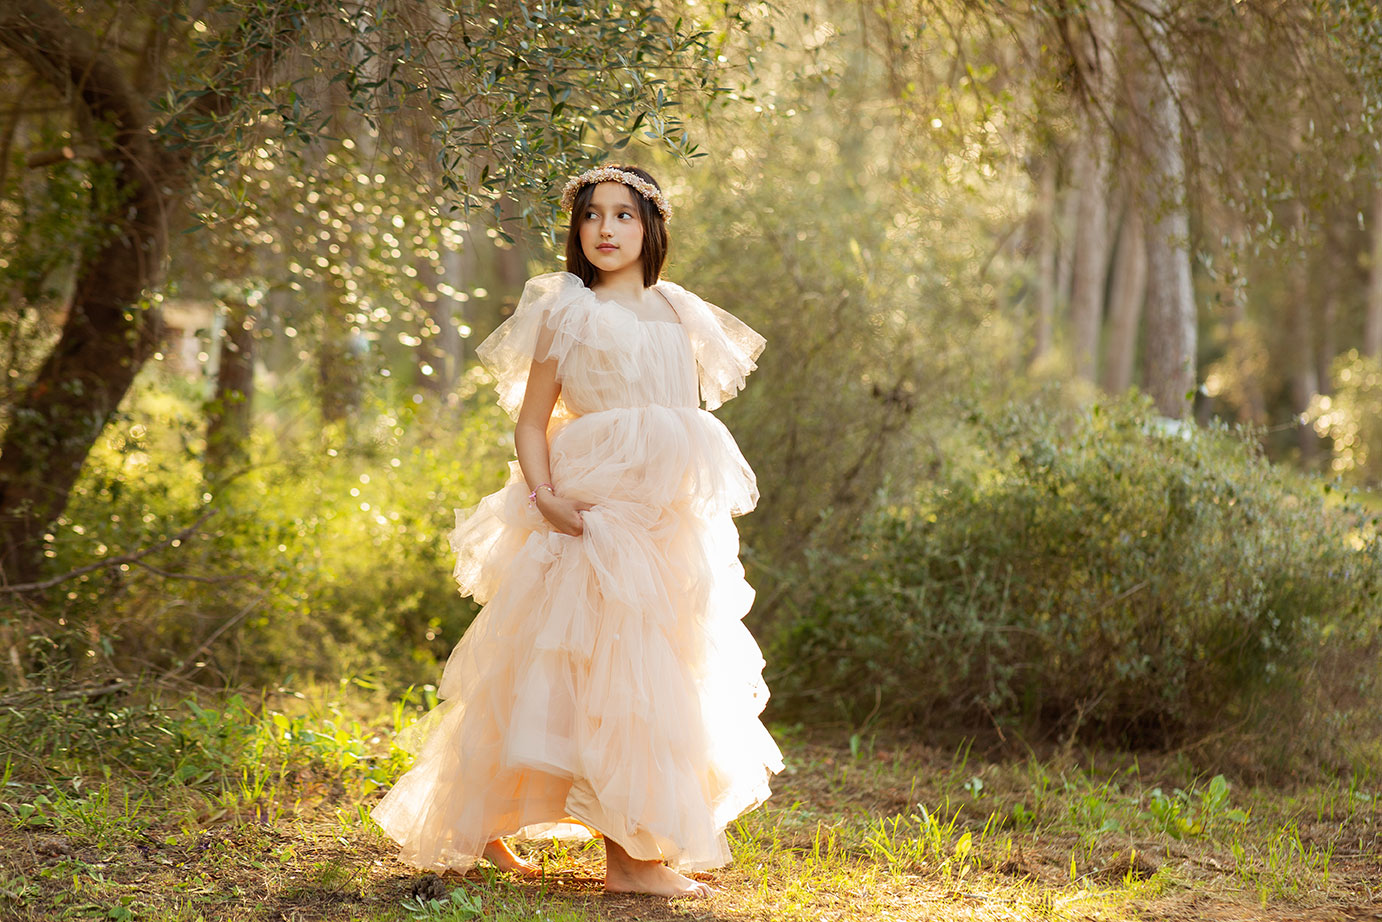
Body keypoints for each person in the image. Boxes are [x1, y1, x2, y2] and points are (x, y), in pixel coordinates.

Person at [370, 164, 783, 899]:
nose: (606, 230)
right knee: (590, 666)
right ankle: (627, 861)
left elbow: (678, 415)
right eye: (592, 216)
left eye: (623, 215)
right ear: (576, 230)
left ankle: (505, 819)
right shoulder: (569, 311)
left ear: (651, 227)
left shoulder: (681, 311)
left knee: (643, 671)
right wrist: (546, 495)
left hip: (664, 516)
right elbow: (532, 422)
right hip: (593, 507)